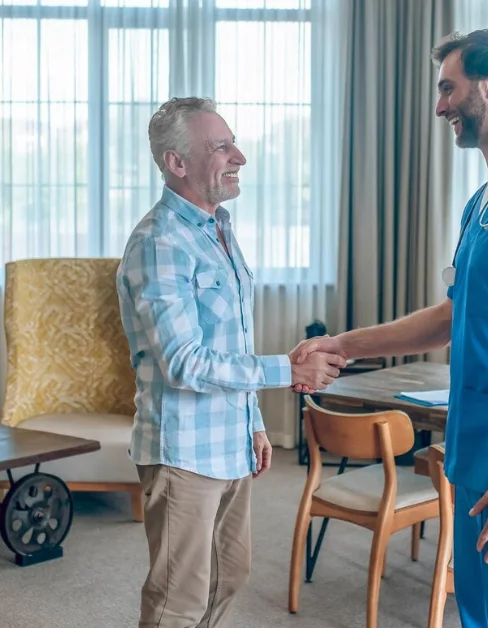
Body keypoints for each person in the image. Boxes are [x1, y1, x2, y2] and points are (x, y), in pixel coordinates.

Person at [293, 28, 488, 627]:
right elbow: (453, 317)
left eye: (448, 88)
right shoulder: (484, 201)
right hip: (475, 450)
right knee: (481, 616)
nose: (439, 107)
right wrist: (343, 345)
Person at [116, 96, 347, 628]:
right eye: (220, 146)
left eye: (233, 143)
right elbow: (184, 362)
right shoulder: (159, 243)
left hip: (230, 442)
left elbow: (232, 342)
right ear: (177, 163)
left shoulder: (219, 229)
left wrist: (255, 422)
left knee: (231, 573)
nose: (239, 156)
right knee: (179, 598)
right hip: (183, 452)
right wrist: (286, 372)